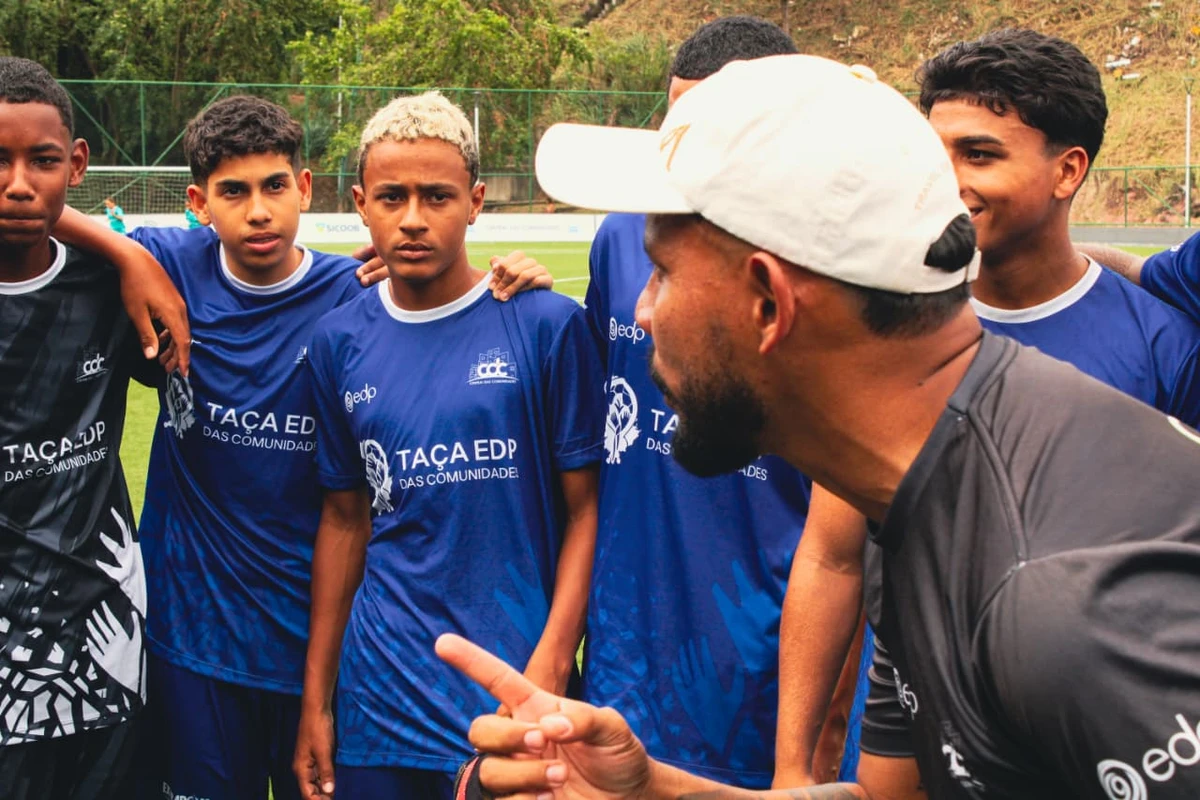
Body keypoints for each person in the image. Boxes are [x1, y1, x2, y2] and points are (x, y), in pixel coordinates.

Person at [438, 52, 1200, 799]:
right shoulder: (912, 496)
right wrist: (655, 793)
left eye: (663, 274)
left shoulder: (1060, 600)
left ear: (769, 304)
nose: (640, 312)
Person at [51, 94, 551, 800]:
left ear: (307, 189)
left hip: (317, 644)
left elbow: (443, 312)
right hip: (192, 638)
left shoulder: (356, 296)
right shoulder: (173, 266)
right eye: (233, 192)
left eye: (275, 187)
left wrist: (514, 279)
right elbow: (34, 206)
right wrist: (122, 251)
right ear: (198, 202)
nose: (257, 211)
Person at [775, 29, 1200, 799]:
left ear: (1069, 169)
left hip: (1104, 743)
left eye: (979, 155)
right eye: (932, 156)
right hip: (916, 721)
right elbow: (832, 556)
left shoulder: (1163, 344)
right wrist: (790, 770)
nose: (945, 182)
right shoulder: (891, 324)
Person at [582, 16, 867, 791]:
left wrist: (818, 735)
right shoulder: (617, 238)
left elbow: (853, 543)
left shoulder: (845, 269)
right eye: (673, 125)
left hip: (769, 693)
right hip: (625, 672)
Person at [294, 91, 604, 800]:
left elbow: (587, 513)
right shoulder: (338, 342)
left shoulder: (546, 326)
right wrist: (317, 701)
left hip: (513, 694)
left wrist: (553, 665)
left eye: (436, 196)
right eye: (391, 197)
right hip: (379, 699)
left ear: (477, 201)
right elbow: (345, 520)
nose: (411, 218)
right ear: (359, 204)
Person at [0, 57, 188, 800]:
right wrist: (121, 243)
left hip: (109, 636)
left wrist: (123, 254)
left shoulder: (108, 289)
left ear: (76, 164)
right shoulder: (118, 261)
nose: (19, 183)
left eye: (42, 161)